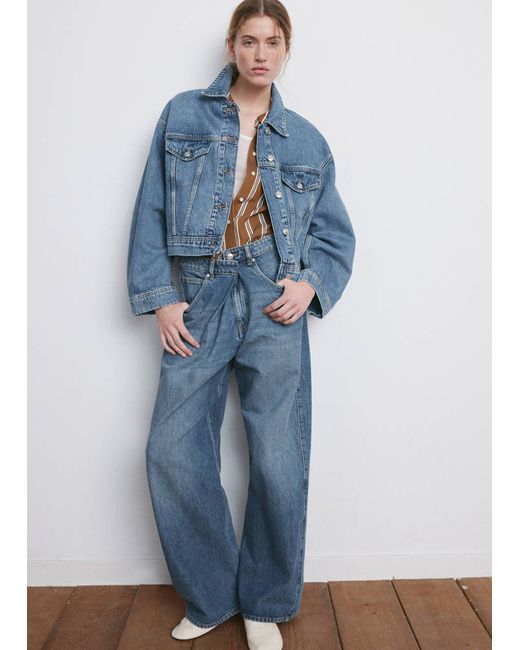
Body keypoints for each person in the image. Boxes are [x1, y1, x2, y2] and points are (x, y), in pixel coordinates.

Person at [126, 2, 355, 648]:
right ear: (231, 46)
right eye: (249, 41)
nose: (260, 54)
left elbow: (335, 235)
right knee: (170, 449)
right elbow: (151, 209)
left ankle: (265, 601)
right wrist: (161, 297)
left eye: (272, 42)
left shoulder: (306, 139)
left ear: (286, 50)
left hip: (272, 295)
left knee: (280, 457)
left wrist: (310, 284)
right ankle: (212, 594)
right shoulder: (183, 115)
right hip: (199, 293)